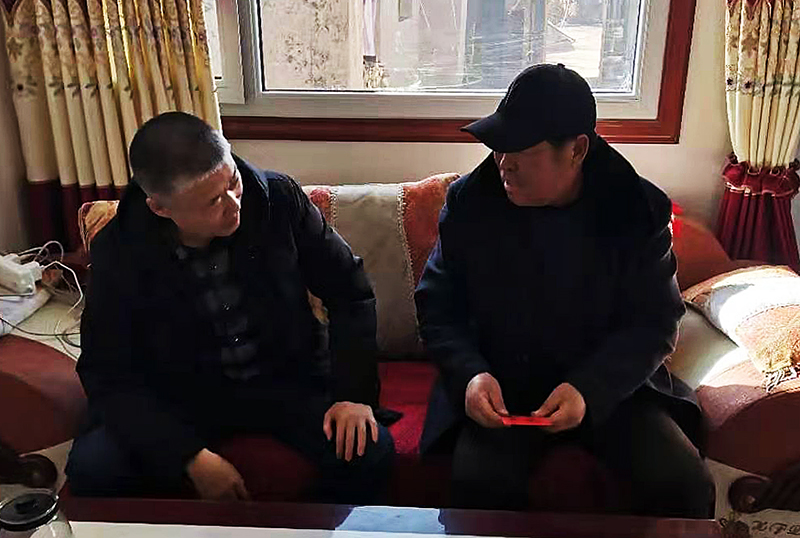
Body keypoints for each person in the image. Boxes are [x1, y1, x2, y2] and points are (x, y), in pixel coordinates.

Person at [415, 64, 714, 517]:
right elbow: (437, 305)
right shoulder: (470, 202)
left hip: (611, 389)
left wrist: (588, 390)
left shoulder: (636, 208)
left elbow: (655, 321)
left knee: (684, 484)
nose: (504, 163)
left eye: (521, 150)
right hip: (501, 385)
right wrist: (470, 373)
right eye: (498, 147)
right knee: (478, 489)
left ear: (576, 150)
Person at [66, 112, 394, 503]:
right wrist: (187, 456)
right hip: (180, 396)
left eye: (233, 182)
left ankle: (299, 529)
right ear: (161, 208)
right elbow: (107, 371)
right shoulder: (119, 251)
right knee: (93, 468)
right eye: (212, 201)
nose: (234, 203)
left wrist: (353, 394)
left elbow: (350, 290)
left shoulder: (277, 199)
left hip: (285, 380)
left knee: (368, 450)